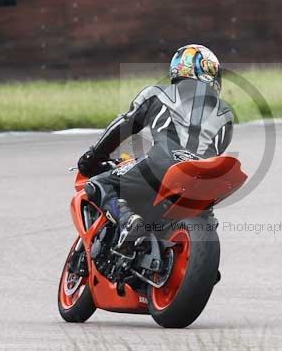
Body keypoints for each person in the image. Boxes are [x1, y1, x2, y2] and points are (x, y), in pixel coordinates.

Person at [77, 44, 234, 253]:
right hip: (204, 176)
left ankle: (127, 220)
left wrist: (93, 156)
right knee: (203, 204)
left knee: (99, 183)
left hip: (163, 164)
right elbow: (215, 149)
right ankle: (198, 240)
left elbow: (123, 125)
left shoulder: (157, 93)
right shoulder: (226, 114)